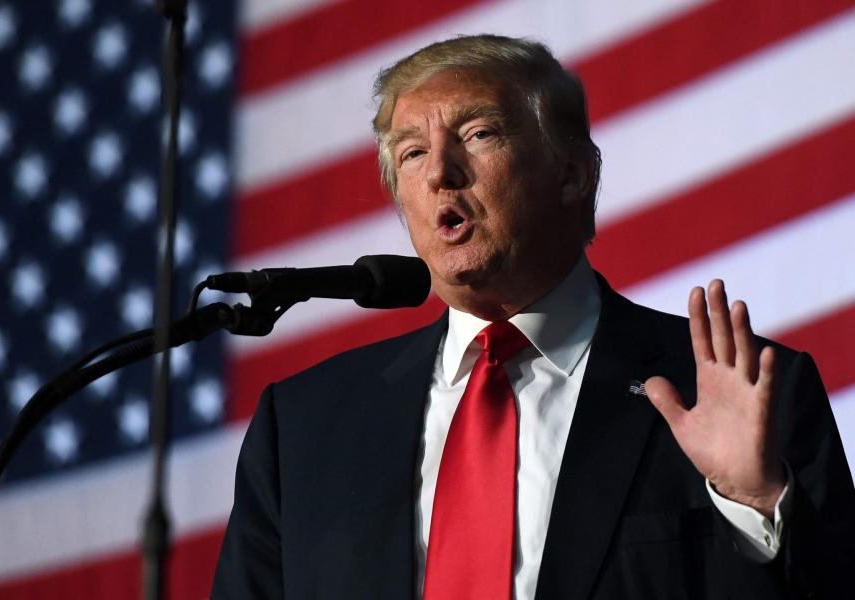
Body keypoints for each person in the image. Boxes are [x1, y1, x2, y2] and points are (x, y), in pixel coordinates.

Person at [212, 35, 853, 599]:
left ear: (572, 175)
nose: (440, 171)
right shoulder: (301, 430)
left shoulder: (744, 394)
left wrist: (754, 506)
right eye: (410, 153)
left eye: (478, 134)